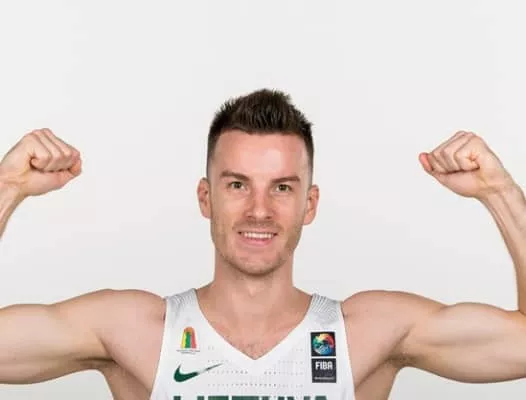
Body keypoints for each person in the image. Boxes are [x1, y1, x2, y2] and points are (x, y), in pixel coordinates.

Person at [0, 89, 525, 400]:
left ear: (309, 204)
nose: (258, 210)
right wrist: (8, 186)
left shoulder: (366, 333)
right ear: (206, 198)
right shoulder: (136, 332)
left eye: (282, 188)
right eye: (237, 185)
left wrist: (499, 192)